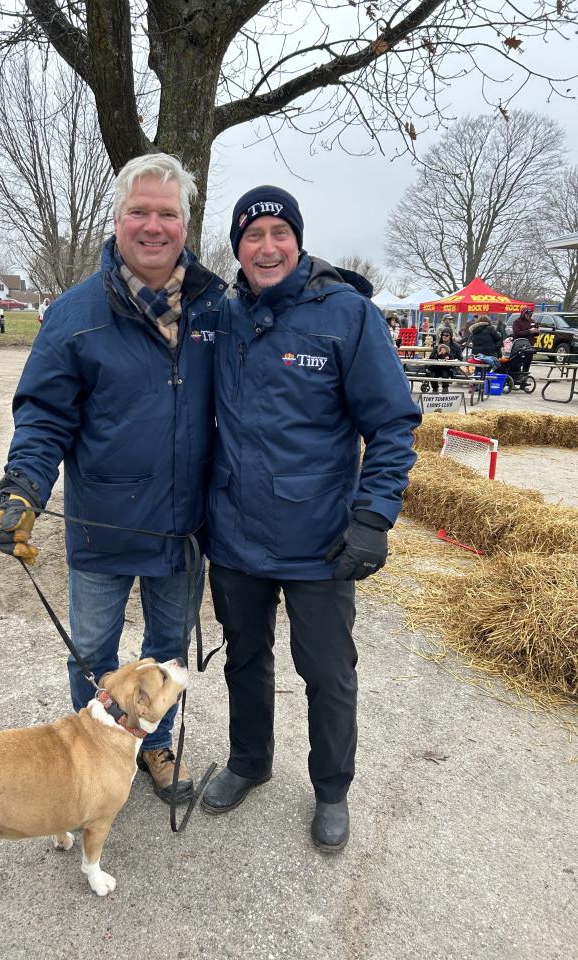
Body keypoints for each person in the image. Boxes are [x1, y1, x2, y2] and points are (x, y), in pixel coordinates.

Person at [0, 154, 225, 803]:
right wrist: (23, 488)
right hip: (102, 525)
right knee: (93, 651)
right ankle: (94, 754)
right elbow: (44, 414)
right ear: (117, 219)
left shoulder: (216, 312)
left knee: (168, 649)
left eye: (167, 213)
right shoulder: (75, 313)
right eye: (140, 211)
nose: (154, 225)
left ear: (186, 223)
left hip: (185, 529)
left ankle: (153, 744)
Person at [200, 186, 421, 852]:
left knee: (327, 671)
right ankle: (249, 760)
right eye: (252, 235)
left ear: (298, 239)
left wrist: (374, 517)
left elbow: (392, 423)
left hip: (320, 539)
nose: (267, 246)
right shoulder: (222, 315)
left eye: (279, 233)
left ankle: (331, 789)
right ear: (237, 246)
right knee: (244, 656)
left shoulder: (345, 315)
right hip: (234, 534)